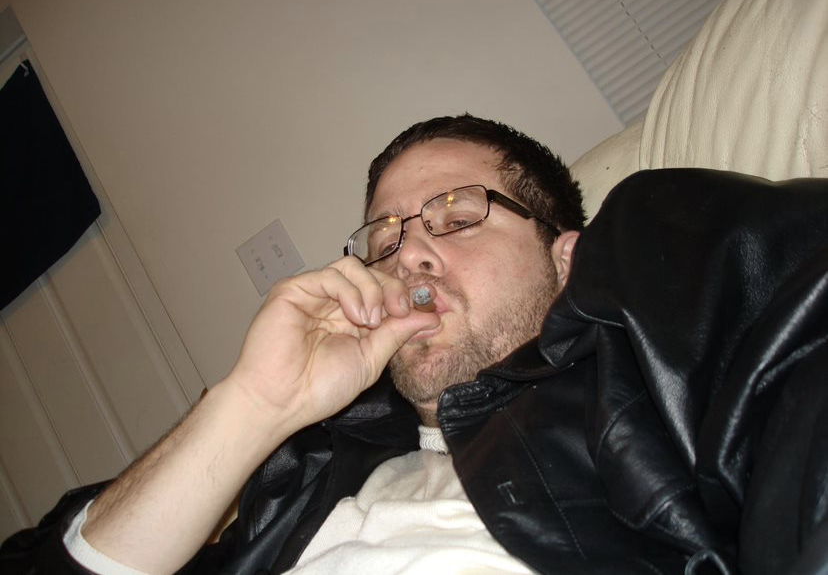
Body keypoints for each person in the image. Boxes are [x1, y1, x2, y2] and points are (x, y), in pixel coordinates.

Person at [3, 114, 828, 575]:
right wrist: (256, 405)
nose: (411, 255)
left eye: (459, 214)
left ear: (567, 257)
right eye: (386, 238)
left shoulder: (651, 351)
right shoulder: (310, 473)